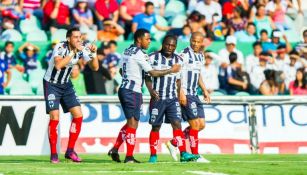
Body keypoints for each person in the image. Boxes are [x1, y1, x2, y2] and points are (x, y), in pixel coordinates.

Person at [107, 29, 181, 163]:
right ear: (139, 40)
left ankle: (115, 148)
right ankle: (129, 157)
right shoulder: (140, 54)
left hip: (124, 88)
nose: (149, 41)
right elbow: (152, 73)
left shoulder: (126, 51)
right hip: (133, 91)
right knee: (133, 124)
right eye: (147, 39)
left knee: (131, 123)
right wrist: (171, 70)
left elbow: (120, 70)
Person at [43, 27, 99, 163]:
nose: (79, 39)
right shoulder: (60, 46)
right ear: (69, 38)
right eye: (75, 37)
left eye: (80, 37)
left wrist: (94, 54)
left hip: (66, 84)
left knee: (78, 115)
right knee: (55, 117)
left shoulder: (83, 47)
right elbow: (58, 66)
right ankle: (54, 154)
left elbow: (95, 67)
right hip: (51, 84)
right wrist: (74, 52)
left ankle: (69, 151)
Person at [145, 35, 198, 163]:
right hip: (158, 99)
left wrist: (180, 93)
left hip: (172, 98)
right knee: (156, 127)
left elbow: (178, 80)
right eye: (168, 45)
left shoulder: (179, 60)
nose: (170, 47)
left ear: (175, 47)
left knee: (177, 124)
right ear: (163, 44)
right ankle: (153, 155)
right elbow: (147, 77)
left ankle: (183, 153)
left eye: (173, 46)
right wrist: (151, 90)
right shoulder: (152, 57)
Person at [167, 32, 211, 163]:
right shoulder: (184, 54)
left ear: (202, 42)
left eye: (198, 42)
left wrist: (204, 89)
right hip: (185, 93)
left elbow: (198, 75)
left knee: (201, 125)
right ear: (190, 40)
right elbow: (176, 74)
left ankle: (174, 142)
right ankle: (195, 155)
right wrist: (180, 92)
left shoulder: (200, 56)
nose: (195, 44)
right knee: (195, 124)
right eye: (193, 41)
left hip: (195, 94)